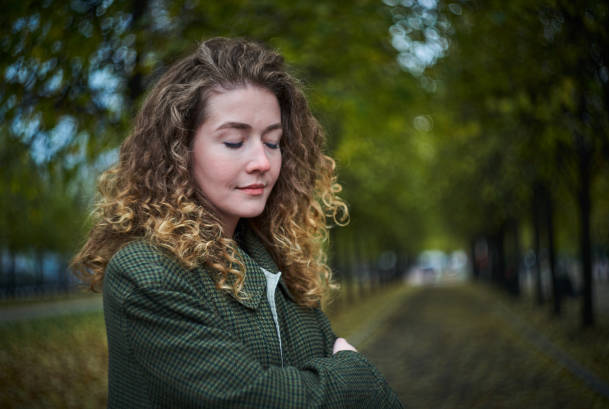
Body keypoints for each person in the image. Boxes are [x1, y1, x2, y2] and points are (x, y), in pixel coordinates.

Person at [72, 37, 403, 409]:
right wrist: (356, 376)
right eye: (234, 141)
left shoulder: (278, 262)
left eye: (273, 141)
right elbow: (250, 398)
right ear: (179, 149)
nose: (262, 161)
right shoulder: (146, 273)